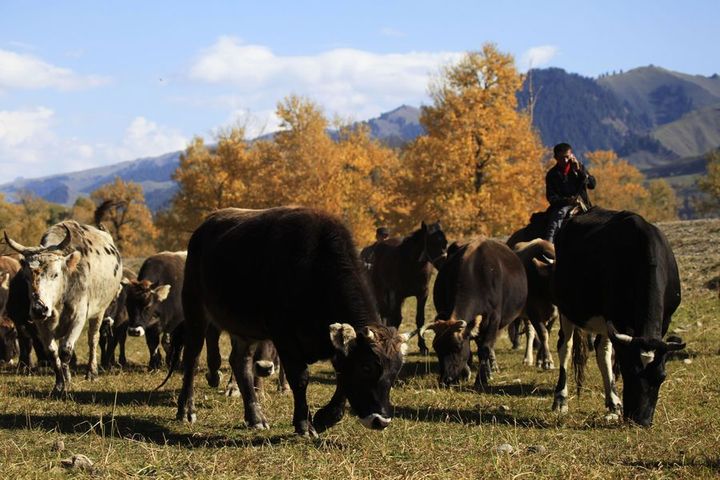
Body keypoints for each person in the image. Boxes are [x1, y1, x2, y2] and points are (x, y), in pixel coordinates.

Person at [544, 143, 596, 243]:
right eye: (561, 158)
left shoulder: (579, 167)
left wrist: (579, 171)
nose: (565, 161)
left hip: (583, 205)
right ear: (555, 158)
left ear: (572, 155)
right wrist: (566, 200)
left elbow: (592, 185)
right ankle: (549, 244)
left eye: (567, 157)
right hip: (563, 206)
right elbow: (551, 197)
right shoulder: (552, 174)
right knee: (559, 215)